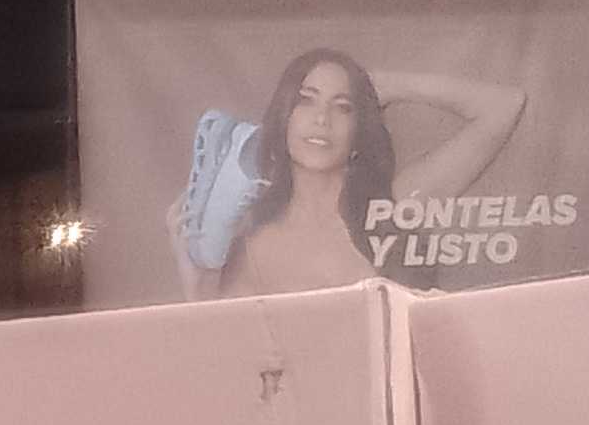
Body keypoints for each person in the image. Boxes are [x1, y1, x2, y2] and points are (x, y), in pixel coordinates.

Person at [167, 48, 526, 298]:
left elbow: (504, 106)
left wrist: (386, 84)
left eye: (343, 107)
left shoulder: (395, 206)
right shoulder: (254, 244)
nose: (322, 119)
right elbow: (229, 351)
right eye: (306, 100)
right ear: (284, 119)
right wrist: (192, 272)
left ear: (360, 130)